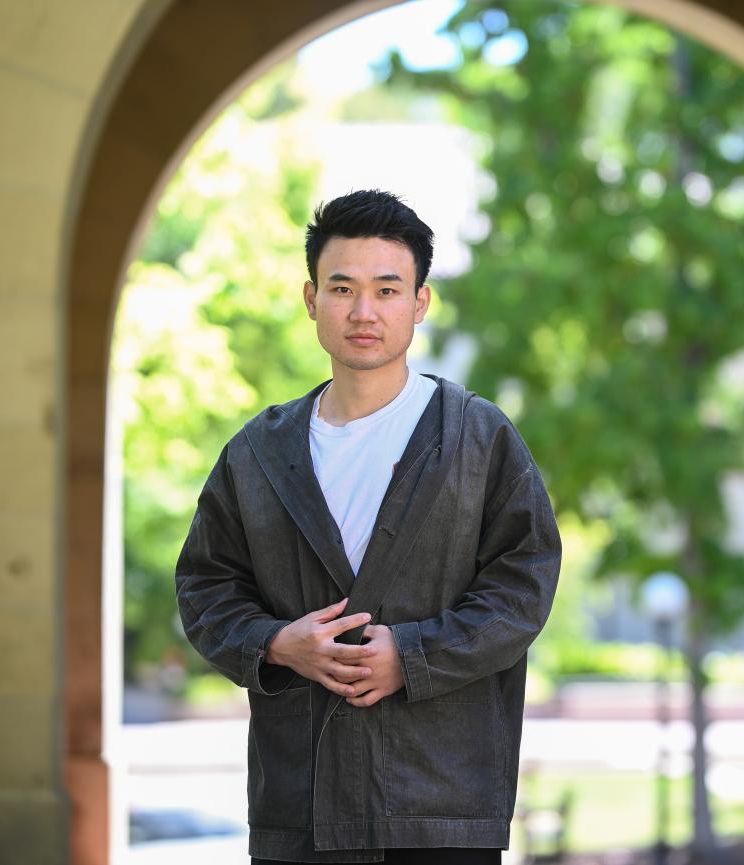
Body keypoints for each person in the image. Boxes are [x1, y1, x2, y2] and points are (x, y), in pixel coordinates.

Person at [174, 189, 562, 864]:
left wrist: (412, 656)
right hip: (301, 808)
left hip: (441, 807)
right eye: (342, 287)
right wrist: (275, 644)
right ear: (310, 298)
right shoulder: (258, 454)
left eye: (387, 289)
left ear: (419, 303)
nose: (363, 311)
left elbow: (522, 586)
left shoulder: (477, 438)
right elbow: (206, 587)